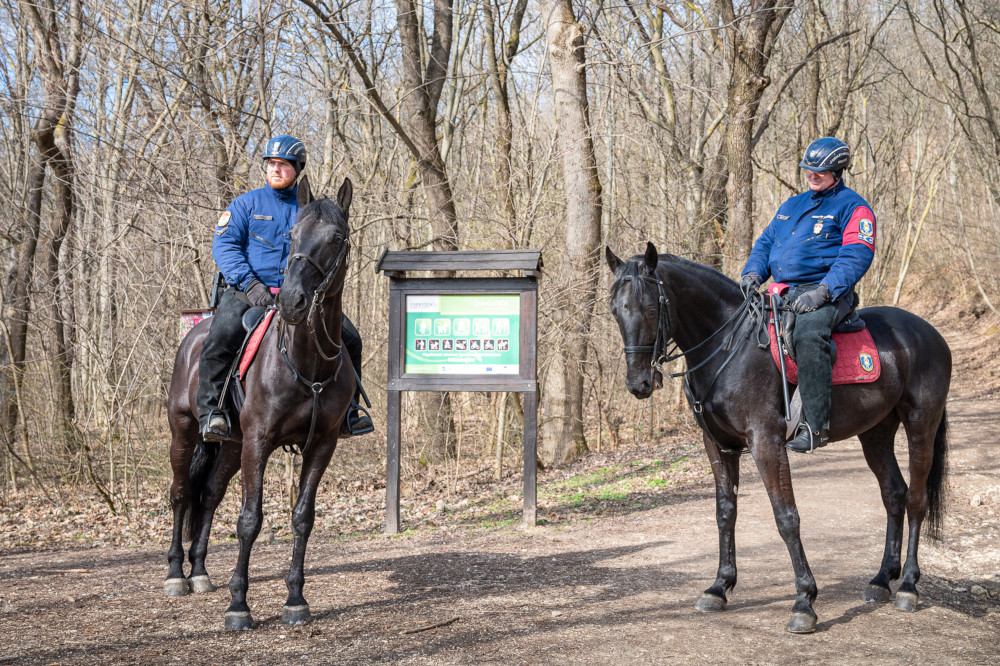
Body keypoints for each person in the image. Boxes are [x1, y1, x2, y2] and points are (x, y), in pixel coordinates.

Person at [197, 134, 373, 442]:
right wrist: (250, 285)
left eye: (283, 165)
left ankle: (349, 412)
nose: (275, 169)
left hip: (302, 297)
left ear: (298, 168)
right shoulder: (245, 204)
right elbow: (224, 247)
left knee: (350, 338)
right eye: (271, 164)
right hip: (248, 291)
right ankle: (212, 413)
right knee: (220, 336)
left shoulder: (309, 210)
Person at [740, 137, 876, 453]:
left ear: (837, 170)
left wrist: (823, 292)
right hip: (783, 291)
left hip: (826, 293)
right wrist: (752, 273)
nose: (812, 175)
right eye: (808, 169)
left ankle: (815, 427)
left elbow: (856, 254)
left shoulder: (854, 207)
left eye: (820, 170)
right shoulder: (791, 206)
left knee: (808, 335)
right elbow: (765, 244)